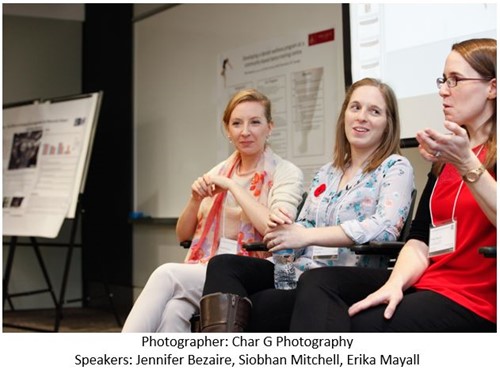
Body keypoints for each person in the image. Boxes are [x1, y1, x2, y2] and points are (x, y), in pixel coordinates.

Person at [290, 38, 497, 332]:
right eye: (443, 80)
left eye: (455, 80)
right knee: (320, 294)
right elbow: (419, 238)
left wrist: (467, 164)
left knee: (357, 326)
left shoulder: (465, 157)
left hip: (477, 300)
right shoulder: (446, 158)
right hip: (429, 284)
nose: (442, 90)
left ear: (492, 87)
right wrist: (394, 284)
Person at [200, 77, 415, 332]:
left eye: (375, 111)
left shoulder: (395, 167)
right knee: (224, 264)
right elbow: (306, 223)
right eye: (355, 107)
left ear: (388, 124)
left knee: (262, 304)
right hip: (299, 271)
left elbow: (385, 227)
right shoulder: (328, 172)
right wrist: (284, 229)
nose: (362, 117)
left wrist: (304, 235)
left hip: (341, 278)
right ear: (344, 114)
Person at [121, 88, 304, 332]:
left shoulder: (285, 172)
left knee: (166, 275)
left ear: (269, 127)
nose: (245, 131)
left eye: (255, 122)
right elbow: (183, 236)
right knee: (174, 309)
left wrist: (233, 187)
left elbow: (276, 229)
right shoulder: (219, 171)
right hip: (208, 265)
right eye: (237, 123)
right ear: (228, 130)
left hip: (254, 269)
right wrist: (194, 199)